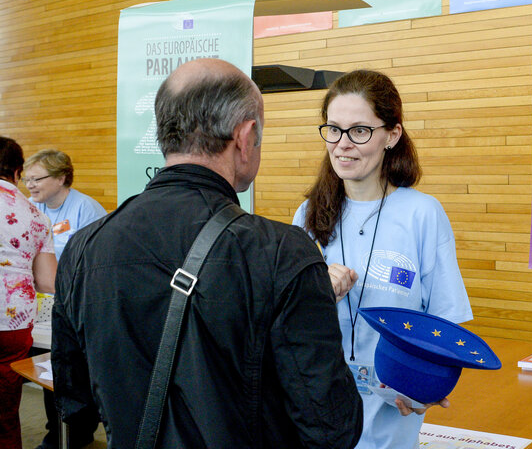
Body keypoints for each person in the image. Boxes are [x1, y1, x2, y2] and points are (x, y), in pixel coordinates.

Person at [51, 58, 363, 448]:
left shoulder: (84, 247)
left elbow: (74, 403)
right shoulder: (281, 252)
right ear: (246, 137)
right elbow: (332, 427)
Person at [292, 70, 473, 449]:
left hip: (395, 407)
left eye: (359, 130)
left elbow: (445, 320)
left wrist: (426, 384)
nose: (342, 144)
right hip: (320, 409)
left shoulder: (422, 213)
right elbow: (287, 323)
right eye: (334, 129)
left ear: (392, 135)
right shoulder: (307, 214)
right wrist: (317, 291)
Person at [23, 149, 106, 449]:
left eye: (36, 179)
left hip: (76, 301)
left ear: (61, 177)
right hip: (41, 302)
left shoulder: (87, 209)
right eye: (26, 179)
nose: (30, 185)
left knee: (69, 367)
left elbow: (96, 264)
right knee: (48, 366)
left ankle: (78, 431)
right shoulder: (30, 208)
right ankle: (55, 429)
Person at [0, 136, 56, 449]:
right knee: (6, 410)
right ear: (18, 171)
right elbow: (48, 281)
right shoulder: (37, 217)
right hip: (13, 324)